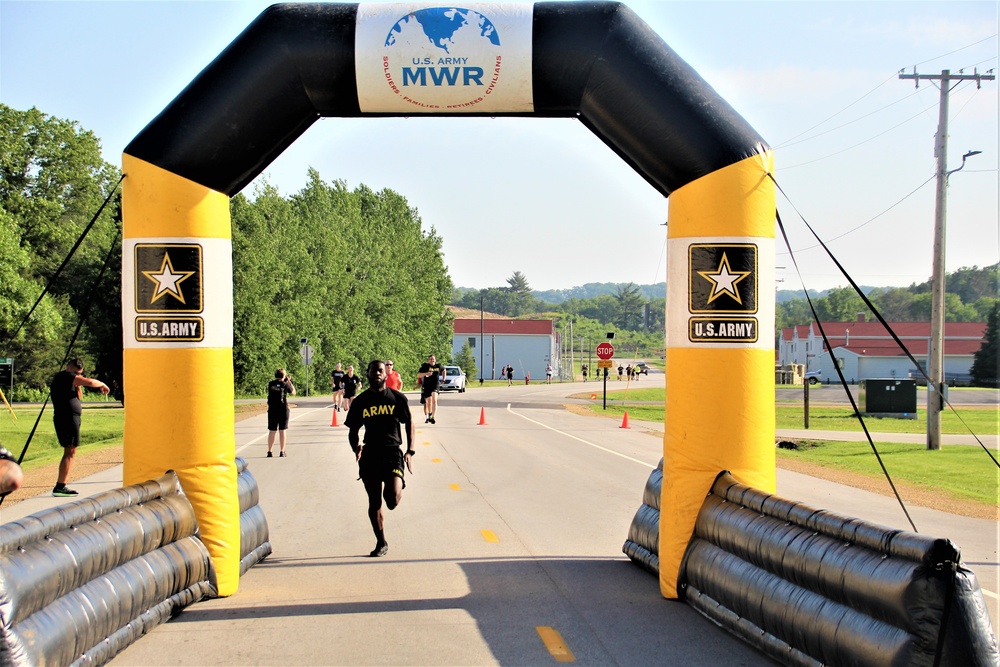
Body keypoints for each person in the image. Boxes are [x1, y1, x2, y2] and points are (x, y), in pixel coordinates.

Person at [345, 360, 415, 557]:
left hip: (392, 453)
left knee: (391, 500)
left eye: (380, 370)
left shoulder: (397, 398)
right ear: (367, 374)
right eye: (373, 370)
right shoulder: (361, 402)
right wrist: (355, 447)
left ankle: (397, 482)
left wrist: (410, 450)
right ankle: (381, 542)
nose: (377, 373)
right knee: (374, 502)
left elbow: (409, 422)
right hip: (370, 455)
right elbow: (353, 430)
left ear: (386, 374)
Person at [50, 358, 110, 497]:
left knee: (71, 450)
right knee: (70, 450)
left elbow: (79, 396)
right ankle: (60, 486)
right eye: (76, 373)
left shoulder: (72, 381)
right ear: (69, 368)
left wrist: (78, 385)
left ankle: (61, 485)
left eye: (79, 373)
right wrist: (102, 383)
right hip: (66, 418)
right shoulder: (65, 376)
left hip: (71, 417)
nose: (77, 376)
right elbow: (89, 382)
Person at [266, 368, 296, 458]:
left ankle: (269, 451)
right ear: (283, 375)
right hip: (283, 409)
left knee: (272, 430)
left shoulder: (271, 384)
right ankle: (282, 451)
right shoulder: (285, 384)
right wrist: (289, 382)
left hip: (272, 409)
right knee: (282, 430)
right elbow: (293, 392)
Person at [417, 354, 443, 423]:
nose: (432, 360)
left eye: (433, 358)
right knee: (429, 402)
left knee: (434, 400)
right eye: (431, 359)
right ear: (428, 360)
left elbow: (444, 370)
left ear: (435, 359)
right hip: (427, 386)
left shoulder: (438, 366)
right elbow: (419, 375)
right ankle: (430, 414)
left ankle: (433, 417)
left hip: (435, 386)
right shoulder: (425, 366)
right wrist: (426, 374)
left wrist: (444, 378)